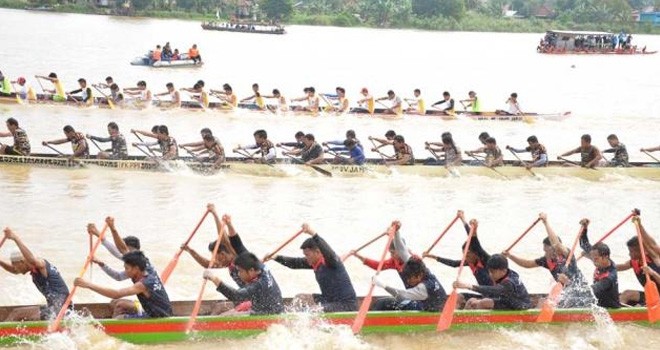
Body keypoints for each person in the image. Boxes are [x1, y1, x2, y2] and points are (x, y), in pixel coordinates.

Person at [503, 213, 593, 308]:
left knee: (544, 302)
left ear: (553, 249)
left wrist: (545, 222)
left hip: (582, 294)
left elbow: (557, 244)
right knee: (542, 300)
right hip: (568, 295)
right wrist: (510, 256)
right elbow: (527, 264)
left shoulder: (567, 255)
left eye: (546, 250)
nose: (544, 252)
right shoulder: (546, 261)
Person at [270, 223, 357, 312]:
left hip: (345, 305)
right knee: (300, 298)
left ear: (318, 252)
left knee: (315, 310)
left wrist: (312, 233)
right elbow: (295, 263)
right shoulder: (314, 263)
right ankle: (289, 317)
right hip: (327, 300)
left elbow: (327, 250)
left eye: (307, 255)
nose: (306, 258)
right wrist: (275, 257)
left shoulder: (332, 261)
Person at [75, 250, 172, 318]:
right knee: (114, 303)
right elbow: (124, 255)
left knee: (118, 317)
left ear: (136, 268)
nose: (125, 272)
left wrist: (88, 285)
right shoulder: (146, 271)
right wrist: (101, 263)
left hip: (158, 317)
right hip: (151, 309)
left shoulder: (142, 284)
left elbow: (117, 293)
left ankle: (113, 330)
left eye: (127, 268)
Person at [0, 227, 70, 321]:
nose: (16, 269)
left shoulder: (41, 264)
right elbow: (14, 270)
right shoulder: (32, 269)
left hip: (60, 310)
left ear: (22, 261)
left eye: (16, 266)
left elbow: (32, 260)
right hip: (55, 309)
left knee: (16, 313)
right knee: (23, 315)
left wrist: (15, 238)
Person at [87, 219, 153, 317]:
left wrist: (98, 234)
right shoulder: (134, 268)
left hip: (152, 307)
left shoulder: (143, 264)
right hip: (144, 303)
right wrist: (101, 264)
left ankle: (114, 326)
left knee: (119, 305)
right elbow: (118, 276)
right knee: (113, 303)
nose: (123, 253)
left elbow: (117, 253)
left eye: (125, 249)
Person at [424, 213, 492, 306]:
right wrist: (434, 257)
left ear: (476, 254)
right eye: (464, 254)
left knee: (472, 303)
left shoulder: (486, 260)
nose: (465, 257)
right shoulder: (469, 262)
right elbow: (454, 264)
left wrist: (468, 224)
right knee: (458, 297)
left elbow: (474, 241)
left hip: (495, 298)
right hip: (484, 295)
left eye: (468, 254)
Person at [204, 252, 285, 315]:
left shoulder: (258, 285)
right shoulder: (262, 267)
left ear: (251, 271)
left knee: (225, 316)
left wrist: (214, 279)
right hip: (272, 306)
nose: (238, 274)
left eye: (240, 271)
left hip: (269, 314)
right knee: (220, 307)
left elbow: (236, 296)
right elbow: (239, 246)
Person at [454, 254, 531, 310]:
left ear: (503, 271)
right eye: (489, 271)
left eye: (492, 272)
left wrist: (468, 286)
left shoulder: (509, 283)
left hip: (520, 306)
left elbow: (494, 290)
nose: (490, 275)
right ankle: (463, 317)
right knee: (471, 301)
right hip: (508, 300)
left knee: (484, 302)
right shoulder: (507, 271)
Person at [576, 219, 621, 308]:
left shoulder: (610, 277)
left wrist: (575, 291)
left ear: (605, 257)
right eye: (592, 258)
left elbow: (593, 290)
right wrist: (584, 228)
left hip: (609, 308)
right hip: (598, 303)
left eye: (595, 259)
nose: (593, 261)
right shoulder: (599, 258)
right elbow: (583, 244)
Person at [372, 258, 446, 312]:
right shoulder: (426, 272)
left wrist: (382, 285)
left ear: (419, 275)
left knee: (382, 303)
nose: (408, 281)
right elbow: (402, 251)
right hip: (432, 306)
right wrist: (396, 236)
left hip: (425, 310)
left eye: (410, 278)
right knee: (384, 301)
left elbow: (401, 295)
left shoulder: (423, 288)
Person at [617, 215, 660, 306]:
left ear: (641, 250)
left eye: (632, 251)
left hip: (657, 299)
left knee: (640, 305)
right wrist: (597, 260)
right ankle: (617, 315)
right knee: (627, 294)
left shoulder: (655, 258)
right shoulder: (634, 262)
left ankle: (639, 308)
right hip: (651, 296)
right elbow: (616, 267)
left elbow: (652, 244)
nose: (629, 254)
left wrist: (653, 273)